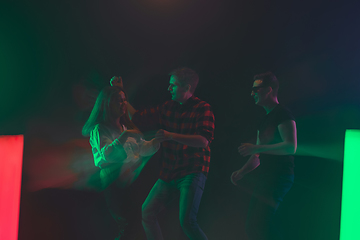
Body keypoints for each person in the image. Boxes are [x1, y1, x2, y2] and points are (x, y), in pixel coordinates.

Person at [111, 67, 215, 240]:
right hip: (169, 172)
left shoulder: (203, 108)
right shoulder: (168, 107)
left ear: (187, 88)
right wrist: (120, 91)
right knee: (147, 212)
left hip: (192, 171)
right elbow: (138, 117)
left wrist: (171, 136)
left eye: (173, 85)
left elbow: (203, 141)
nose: (169, 89)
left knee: (187, 221)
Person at [82, 85, 160, 240]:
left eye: (124, 100)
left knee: (135, 224)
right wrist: (124, 136)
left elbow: (141, 148)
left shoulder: (125, 126)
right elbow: (106, 156)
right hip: (113, 180)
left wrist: (156, 142)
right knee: (126, 225)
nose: (123, 104)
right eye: (119, 101)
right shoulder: (99, 129)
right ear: (107, 103)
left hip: (130, 180)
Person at [231, 72, 297, 240]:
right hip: (267, 178)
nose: (251, 93)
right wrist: (242, 172)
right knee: (254, 226)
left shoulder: (283, 114)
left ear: (268, 90)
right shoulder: (265, 119)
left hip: (279, 176)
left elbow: (290, 146)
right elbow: (257, 156)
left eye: (256, 89)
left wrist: (256, 148)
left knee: (259, 225)